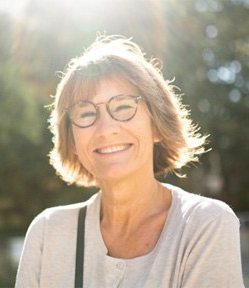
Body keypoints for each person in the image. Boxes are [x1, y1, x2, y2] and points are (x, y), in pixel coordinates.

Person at [15, 35, 244, 287]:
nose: (105, 128)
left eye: (123, 107)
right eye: (86, 113)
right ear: (73, 140)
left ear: (156, 125)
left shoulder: (205, 224)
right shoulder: (47, 234)